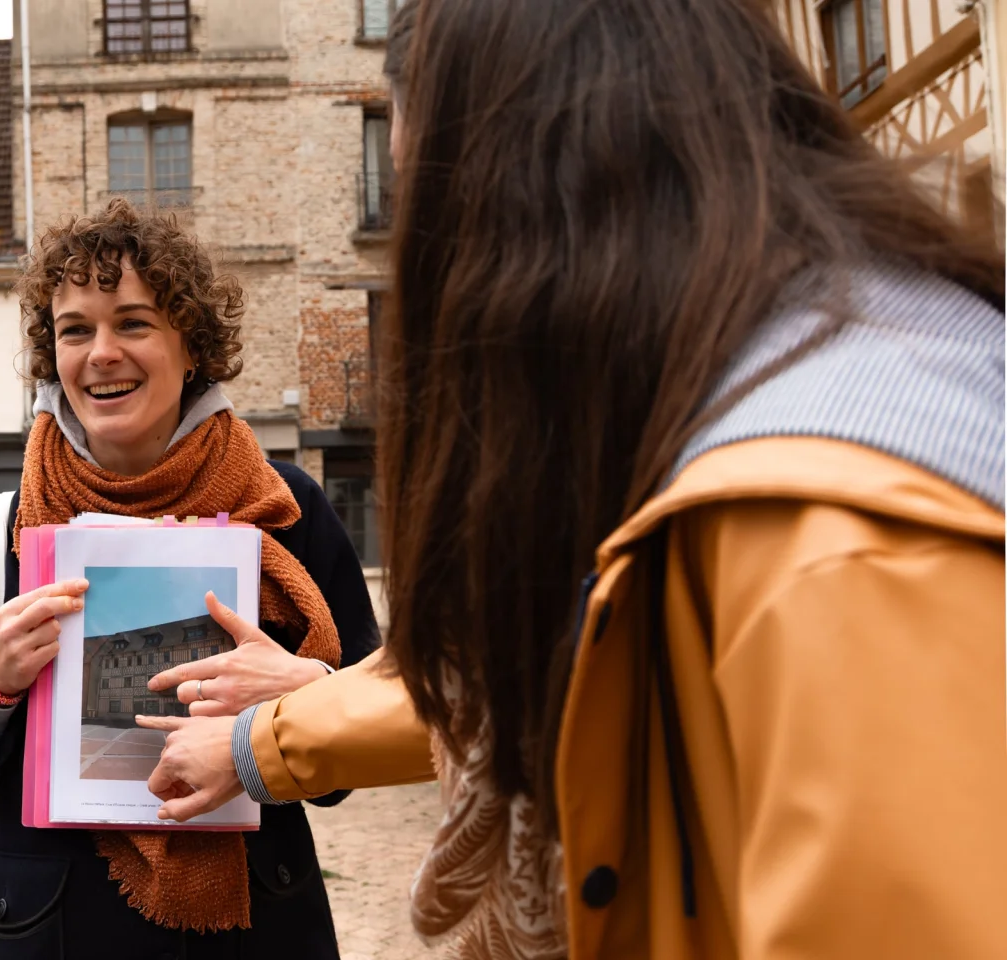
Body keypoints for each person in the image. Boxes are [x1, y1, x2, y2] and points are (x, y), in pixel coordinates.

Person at [142, 0, 1007, 958]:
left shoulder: (823, 536)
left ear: (526, 199)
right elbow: (513, 667)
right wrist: (264, 740)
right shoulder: (703, 422)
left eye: (432, 198)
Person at [0, 199, 377, 959]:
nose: (101, 352)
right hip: (48, 932)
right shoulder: (1, 533)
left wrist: (304, 688)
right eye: (75, 330)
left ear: (193, 347)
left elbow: (360, 736)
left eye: (134, 323)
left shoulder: (289, 511)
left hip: (253, 930)